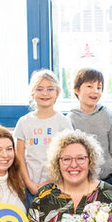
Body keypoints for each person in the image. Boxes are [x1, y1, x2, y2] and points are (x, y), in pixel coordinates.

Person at [14, 69, 73, 197]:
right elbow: (19, 157)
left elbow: (68, 157)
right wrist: (29, 183)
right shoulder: (24, 122)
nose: (45, 93)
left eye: (50, 89)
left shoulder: (64, 122)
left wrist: (49, 182)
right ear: (32, 93)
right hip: (29, 187)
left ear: (57, 93)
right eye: (39, 89)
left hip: (57, 185)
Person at [66, 68, 112, 190]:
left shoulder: (107, 114)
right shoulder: (71, 118)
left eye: (99, 87)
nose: (95, 91)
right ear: (76, 90)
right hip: (82, 181)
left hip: (109, 179)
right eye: (89, 86)